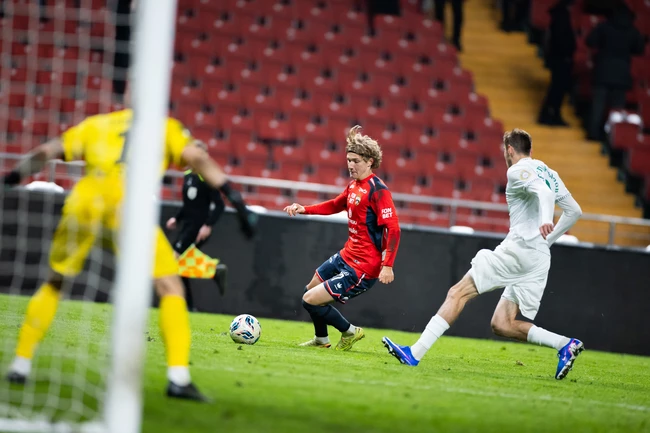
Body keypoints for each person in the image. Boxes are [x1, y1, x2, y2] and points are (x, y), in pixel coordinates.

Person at [2, 106, 257, 402]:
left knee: (55, 282)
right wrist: (238, 202)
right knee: (170, 286)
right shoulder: (164, 127)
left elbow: (47, 151)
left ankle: (20, 364)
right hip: (128, 204)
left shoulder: (97, 124)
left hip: (84, 202)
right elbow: (198, 158)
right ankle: (178, 378)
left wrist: (10, 178)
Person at [382, 129, 584, 381]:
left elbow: (544, 194)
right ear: (530, 150)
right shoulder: (548, 171)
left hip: (519, 250)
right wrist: (547, 241)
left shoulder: (516, 170)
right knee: (502, 323)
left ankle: (415, 353)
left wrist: (545, 221)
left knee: (457, 292)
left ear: (509, 150)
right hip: (539, 257)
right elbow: (574, 211)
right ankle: (565, 344)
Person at [283, 125, 401, 351]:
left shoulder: (378, 190)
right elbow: (335, 205)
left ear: (370, 161)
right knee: (309, 291)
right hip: (346, 256)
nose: (350, 165)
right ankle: (321, 340)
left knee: (309, 300)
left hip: (363, 267)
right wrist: (304, 209)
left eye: (355, 161)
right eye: (348, 160)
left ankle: (350, 331)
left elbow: (393, 228)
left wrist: (388, 265)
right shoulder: (354, 186)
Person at [165, 142, 228, 311]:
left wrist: (208, 225)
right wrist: (176, 218)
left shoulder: (206, 178)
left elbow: (220, 205)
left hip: (197, 228)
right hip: (186, 225)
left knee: (174, 260)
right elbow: (188, 205)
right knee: (180, 266)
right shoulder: (188, 175)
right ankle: (190, 305)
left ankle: (213, 270)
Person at [585, 0, 645, 140]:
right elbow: (640, 49)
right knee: (616, 110)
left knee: (598, 105)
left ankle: (593, 134)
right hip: (622, 75)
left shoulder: (604, 26)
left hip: (603, 71)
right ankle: (613, 138)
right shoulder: (632, 30)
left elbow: (590, 41)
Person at [538, 0, 575, 127]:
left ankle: (551, 114)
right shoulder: (562, 16)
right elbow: (561, 39)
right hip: (561, 58)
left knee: (556, 88)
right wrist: (567, 54)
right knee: (557, 89)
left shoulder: (559, 15)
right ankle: (550, 114)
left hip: (558, 58)